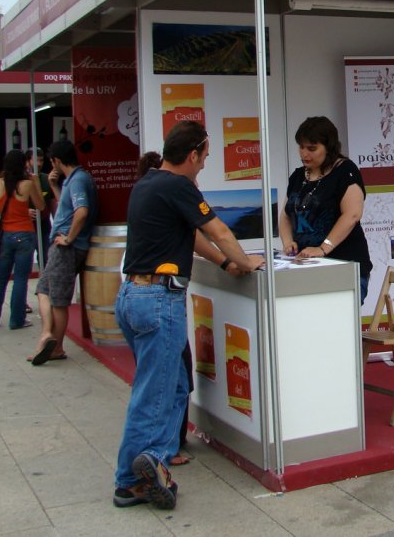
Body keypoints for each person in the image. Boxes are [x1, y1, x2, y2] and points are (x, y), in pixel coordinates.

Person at [113, 121, 264, 510]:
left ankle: (155, 462)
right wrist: (245, 261)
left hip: (132, 294)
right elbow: (219, 232)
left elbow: (193, 237)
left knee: (175, 385)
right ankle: (132, 478)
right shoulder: (179, 186)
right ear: (193, 154)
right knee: (155, 392)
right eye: (206, 156)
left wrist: (225, 264)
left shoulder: (148, 182)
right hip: (159, 300)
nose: (205, 164)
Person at [279, 116, 372, 303]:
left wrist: (323, 248)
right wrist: (288, 242)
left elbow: (352, 214)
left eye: (312, 148)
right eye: (301, 147)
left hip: (343, 266)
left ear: (328, 147)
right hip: (307, 268)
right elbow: (286, 214)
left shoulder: (345, 171)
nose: (304, 153)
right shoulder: (298, 176)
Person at [28, 139, 97, 366]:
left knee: (57, 298)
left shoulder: (77, 180)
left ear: (56, 160)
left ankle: (54, 344)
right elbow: (69, 208)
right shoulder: (73, 181)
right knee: (44, 289)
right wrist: (55, 187)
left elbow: (81, 211)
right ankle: (48, 334)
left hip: (66, 247)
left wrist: (68, 238)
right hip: (66, 245)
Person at [0, 150, 46, 330]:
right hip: (25, 234)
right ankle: (16, 320)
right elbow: (41, 206)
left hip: (5, 235)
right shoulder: (27, 184)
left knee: (0, 278)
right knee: (20, 279)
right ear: (23, 165)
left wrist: (6, 211)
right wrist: (35, 182)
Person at [24, 148, 53, 267]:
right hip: (26, 226)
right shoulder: (20, 180)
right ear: (27, 161)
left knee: (46, 258)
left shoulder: (46, 179)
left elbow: (53, 203)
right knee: (25, 260)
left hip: (44, 225)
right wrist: (24, 211)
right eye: (36, 161)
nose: (39, 164)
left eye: (41, 160)